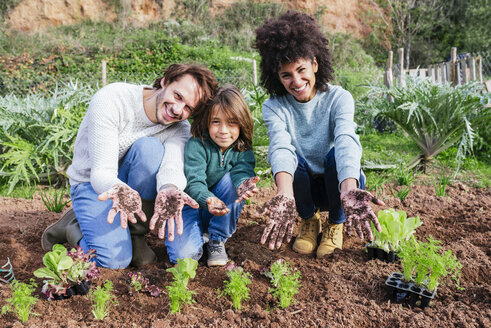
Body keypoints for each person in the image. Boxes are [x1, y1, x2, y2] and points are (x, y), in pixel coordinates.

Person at [41, 63, 219, 269]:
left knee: (149, 149)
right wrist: (120, 190)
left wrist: (169, 188)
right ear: (165, 82)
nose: (178, 110)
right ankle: (73, 227)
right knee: (114, 261)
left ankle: (135, 236)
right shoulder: (113, 99)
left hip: (129, 191)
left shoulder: (179, 128)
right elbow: (101, 172)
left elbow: (172, 166)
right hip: (92, 184)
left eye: (189, 108)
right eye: (178, 96)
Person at [254, 11, 384, 258]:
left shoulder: (339, 98)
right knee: (291, 159)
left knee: (336, 155)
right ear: (277, 78)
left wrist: (348, 189)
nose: (296, 81)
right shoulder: (274, 107)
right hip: (303, 190)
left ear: (315, 64)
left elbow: (347, 140)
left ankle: (335, 223)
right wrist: (284, 194)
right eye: (286, 75)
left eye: (301, 69)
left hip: (337, 185)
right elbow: (280, 147)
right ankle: (308, 222)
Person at [166, 84, 259, 266]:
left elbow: (242, 172)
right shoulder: (197, 145)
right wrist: (207, 199)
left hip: (219, 208)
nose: (223, 130)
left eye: (231, 122)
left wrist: (243, 184)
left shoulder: (243, 148)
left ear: (242, 122)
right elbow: (194, 182)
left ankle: (216, 239)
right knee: (183, 258)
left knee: (235, 182)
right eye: (216, 122)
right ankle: (196, 236)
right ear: (206, 121)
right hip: (191, 205)